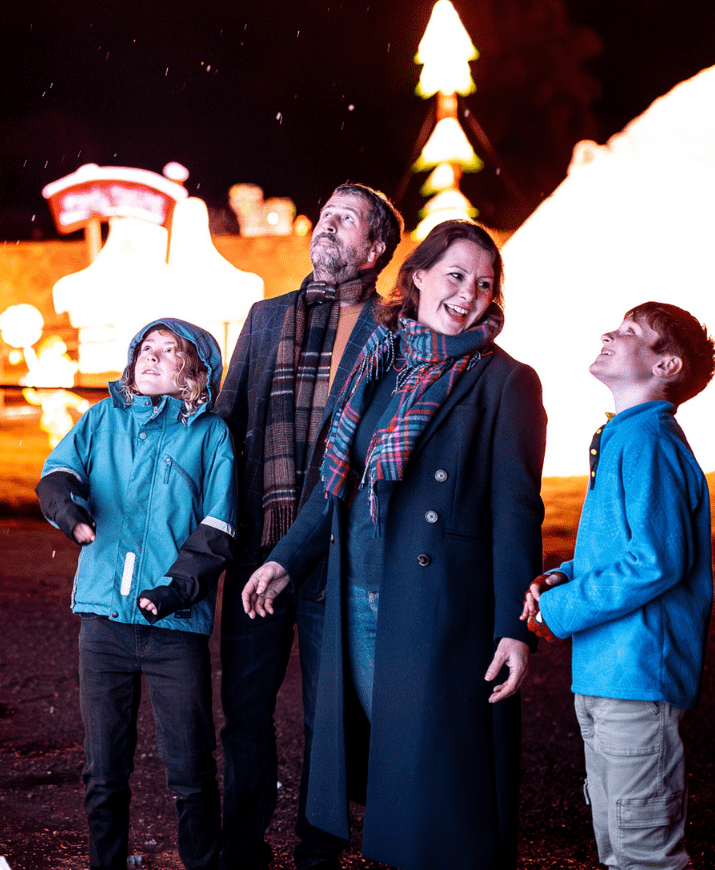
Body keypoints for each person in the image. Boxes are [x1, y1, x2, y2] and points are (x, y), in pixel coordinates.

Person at [242, 219, 546, 870]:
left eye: (485, 284)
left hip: (437, 605)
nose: (468, 294)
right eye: (455, 275)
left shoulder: (506, 382)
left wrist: (516, 629)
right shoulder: (378, 362)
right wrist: (283, 559)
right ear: (417, 276)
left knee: (434, 770)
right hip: (357, 594)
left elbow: (517, 509)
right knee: (388, 759)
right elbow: (333, 481)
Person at [216, 183, 402, 870]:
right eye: (325, 216)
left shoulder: (394, 328)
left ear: (374, 248)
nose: (327, 226)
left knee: (330, 717)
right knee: (244, 709)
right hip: (260, 543)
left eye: (344, 220)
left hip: (339, 555)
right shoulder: (266, 318)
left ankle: (319, 847)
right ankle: (241, 844)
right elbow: (231, 427)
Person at [35, 318, 236, 870]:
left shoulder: (211, 436)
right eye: (146, 348)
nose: (152, 357)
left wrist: (177, 589)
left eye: (169, 351)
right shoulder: (102, 419)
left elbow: (218, 527)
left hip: (175, 630)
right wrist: (68, 510)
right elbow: (58, 472)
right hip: (103, 624)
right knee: (103, 773)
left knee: (192, 773)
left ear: (194, 371)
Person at [523, 302, 715, 870]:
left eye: (632, 332)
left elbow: (656, 562)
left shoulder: (648, 442)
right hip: (609, 676)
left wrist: (560, 608)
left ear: (667, 366)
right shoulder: (623, 437)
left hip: (637, 678)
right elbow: (622, 546)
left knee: (643, 855)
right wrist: (563, 575)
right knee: (618, 847)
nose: (611, 332)